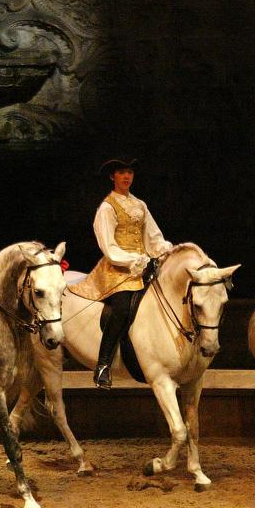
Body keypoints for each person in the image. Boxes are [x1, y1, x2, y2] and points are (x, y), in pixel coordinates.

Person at [69, 157, 173, 389]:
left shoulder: (140, 205)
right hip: (118, 268)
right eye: (121, 173)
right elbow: (109, 246)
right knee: (122, 307)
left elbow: (153, 237)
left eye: (129, 173)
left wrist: (166, 251)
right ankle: (103, 364)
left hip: (144, 265)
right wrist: (135, 260)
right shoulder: (107, 207)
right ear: (112, 177)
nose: (126, 177)